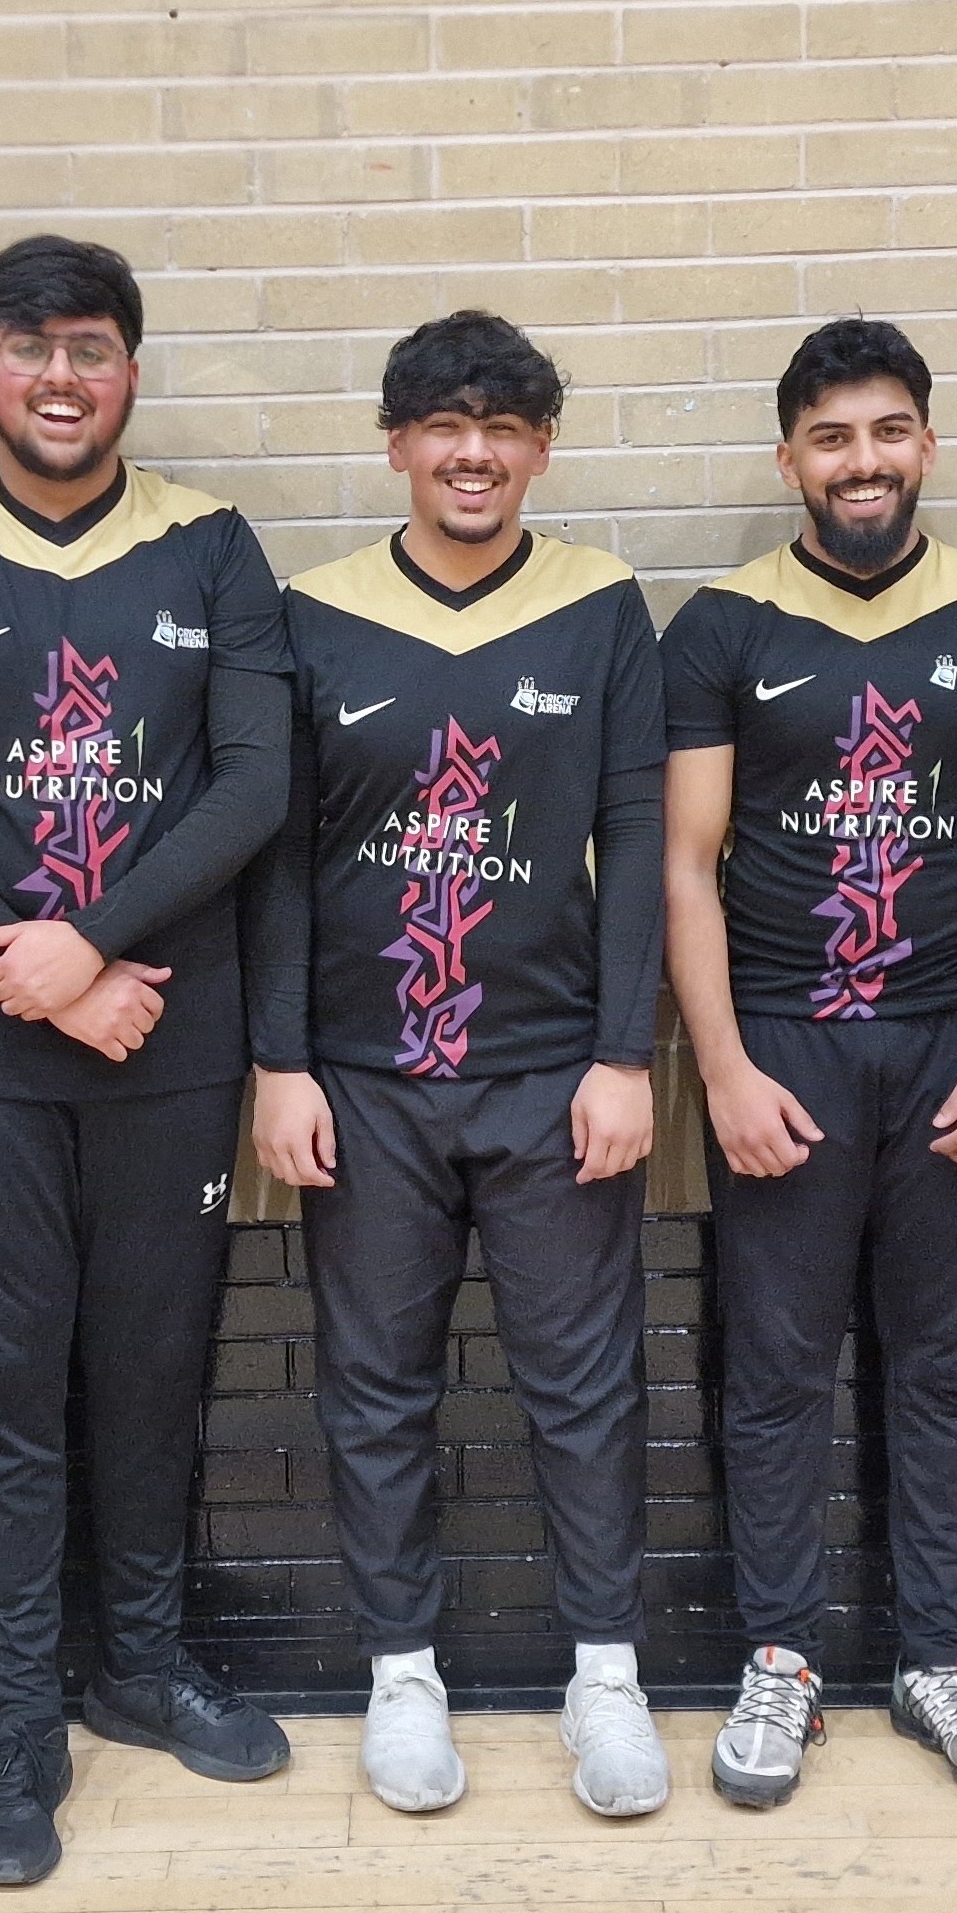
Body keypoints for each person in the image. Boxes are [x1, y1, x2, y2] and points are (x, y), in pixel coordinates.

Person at [0, 236, 295, 1888]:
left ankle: (140, 1663)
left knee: (153, 1377)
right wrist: (24, 968)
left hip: (167, 1038)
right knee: (7, 1395)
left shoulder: (212, 545)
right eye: (27, 347)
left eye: (89, 347)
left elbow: (251, 788)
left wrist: (91, 943)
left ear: (129, 369)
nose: (58, 376)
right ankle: (24, 1713)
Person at [247, 312, 669, 1820]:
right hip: (362, 1078)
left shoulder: (602, 608)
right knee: (373, 1389)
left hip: (552, 1072)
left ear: (539, 449)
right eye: (443, 423)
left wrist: (628, 1054)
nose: (472, 450)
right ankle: (401, 1676)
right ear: (396, 443)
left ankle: (604, 1681)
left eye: (502, 425)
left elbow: (639, 853)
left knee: (584, 1388)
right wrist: (277, 1060)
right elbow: (281, 860)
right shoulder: (315, 613)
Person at [660, 318, 957, 1810]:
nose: (861, 461)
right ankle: (779, 1656)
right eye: (830, 436)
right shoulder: (718, 627)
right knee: (775, 1370)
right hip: (782, 1050)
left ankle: (939, 1658)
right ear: (788, 458)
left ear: (926, 444)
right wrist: (716, 1067)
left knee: (947, 1368)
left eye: (887, 430)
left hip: (955, 1048)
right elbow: (686, 865)